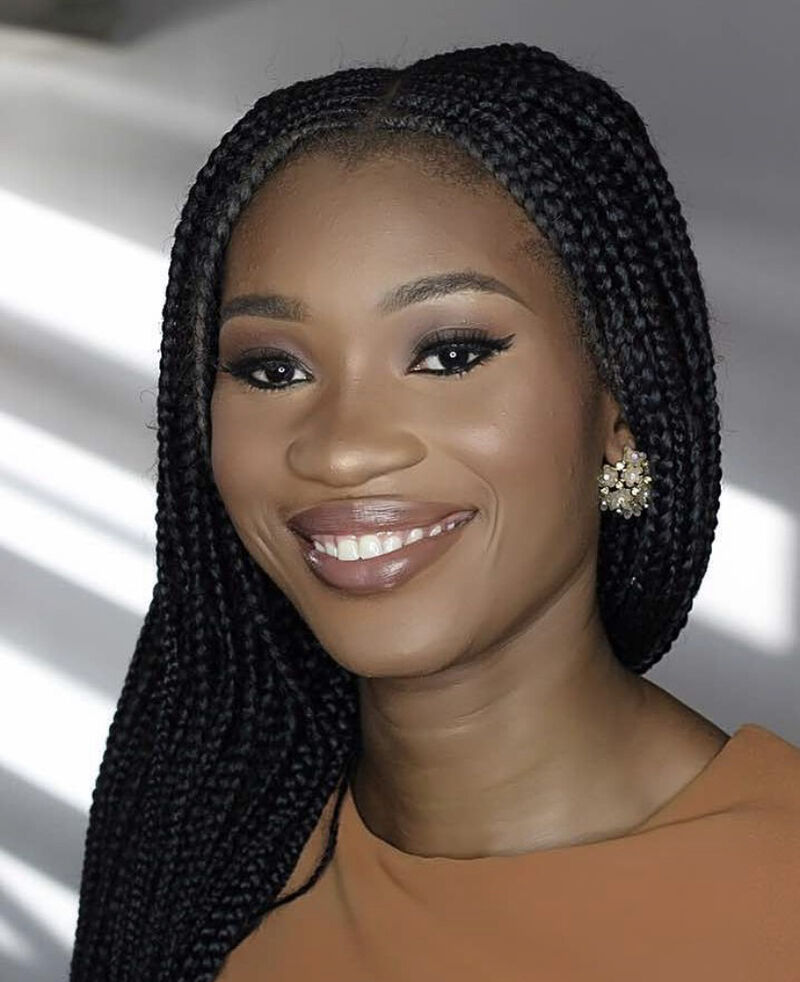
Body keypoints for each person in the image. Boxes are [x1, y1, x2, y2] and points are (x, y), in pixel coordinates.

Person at [69, 41, 800, 982]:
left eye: (449, 355)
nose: (340, 449)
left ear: (620, 402)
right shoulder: (198, 861)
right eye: (273, 369)